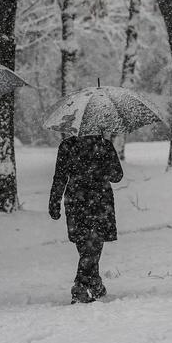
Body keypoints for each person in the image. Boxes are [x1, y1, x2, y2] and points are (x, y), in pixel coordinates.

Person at [48, 129, 124, 303]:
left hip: (76, 200)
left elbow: (60, 177)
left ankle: (94, 282)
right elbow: (117, 176)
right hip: (100, 200)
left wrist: (54, 202)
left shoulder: (67, 146)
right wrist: (102, 168)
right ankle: (80, 285)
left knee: (86, 243)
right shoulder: (104, 146)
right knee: (94, 243)